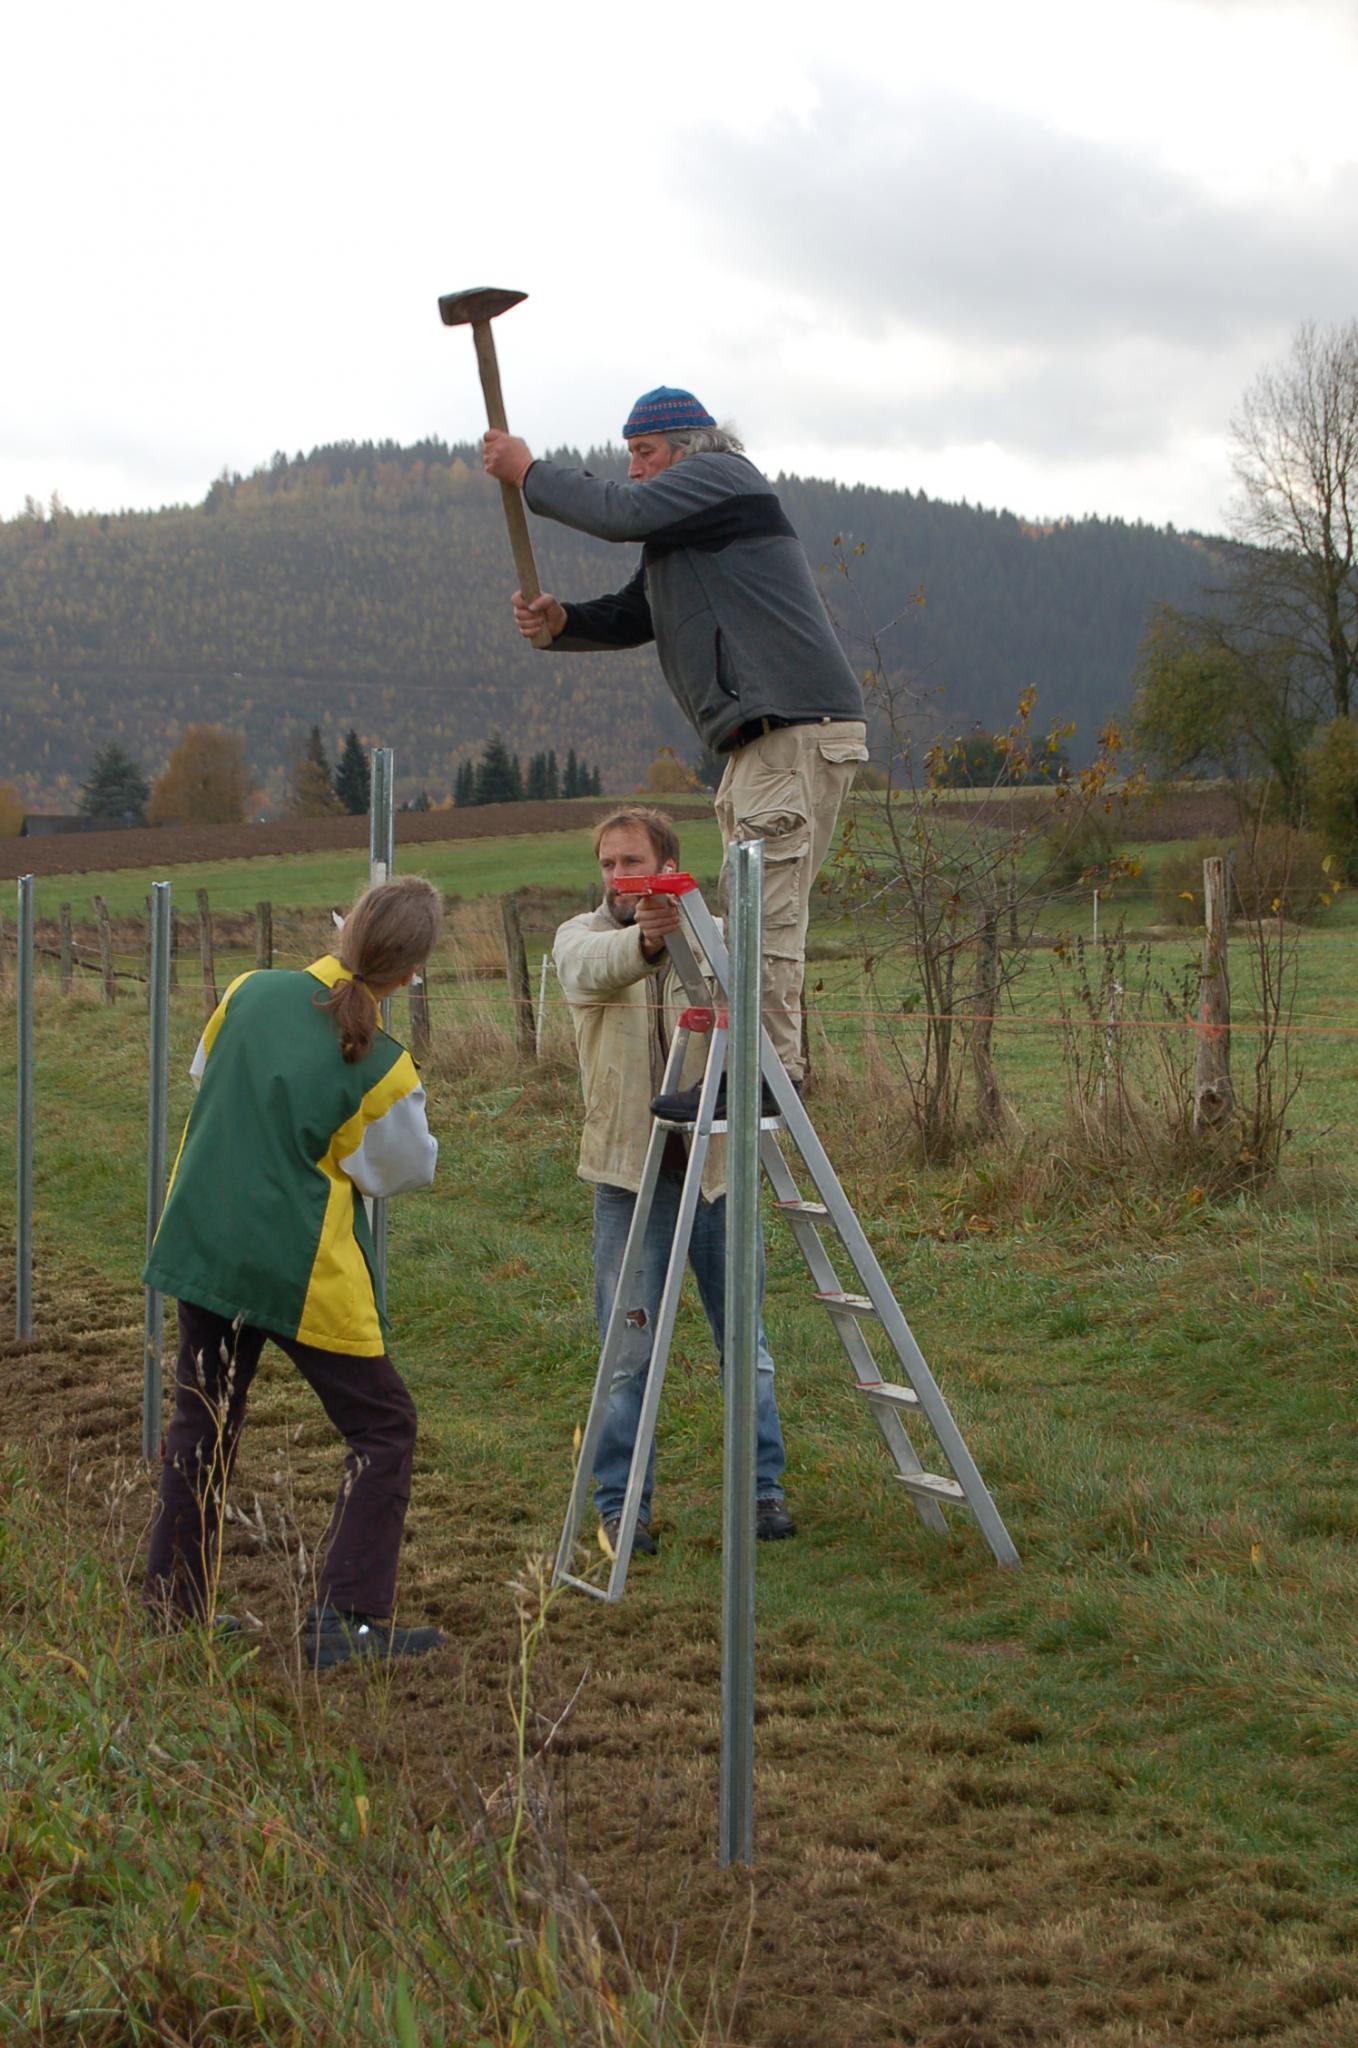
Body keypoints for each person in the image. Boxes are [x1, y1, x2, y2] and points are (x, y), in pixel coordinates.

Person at [484, 387, 869, 1097]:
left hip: (790, 733)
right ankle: (750, 1070)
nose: (632, 471)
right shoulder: (689, 523)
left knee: (764, 919)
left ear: (686, 449)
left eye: (643, 454)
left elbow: (617, 514)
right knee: (749, 909)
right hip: (762, 743)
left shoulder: (723, 476)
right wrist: (563, 622)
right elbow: (640, 609)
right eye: (627, 456)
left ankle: (769, 1079)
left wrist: (528, 473)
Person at [143, 875, 446, 1672]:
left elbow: (206, 1075)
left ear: (344, 927)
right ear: (410, 974)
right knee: (383, 1428)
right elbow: (403, 1171)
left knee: (201, 1424)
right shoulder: (382, 1064)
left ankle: (172, 1610)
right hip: (299, 1269)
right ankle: (347, 1619)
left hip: (206, 1243)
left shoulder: (249, 990)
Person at [554, 805, 796, 1556]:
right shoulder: (581, 937)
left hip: (717, 1172)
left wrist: (683, 933)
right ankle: (624, 1507)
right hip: (630, 1177)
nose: (621, 877)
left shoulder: (715, 935)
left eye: (633, 862)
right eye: (608, 865)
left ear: (667, 862)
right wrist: (649, 941)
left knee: (745, 1343)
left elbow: (760, 995)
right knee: (626, 1353)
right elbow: (590, 970)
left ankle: (762, 1491)